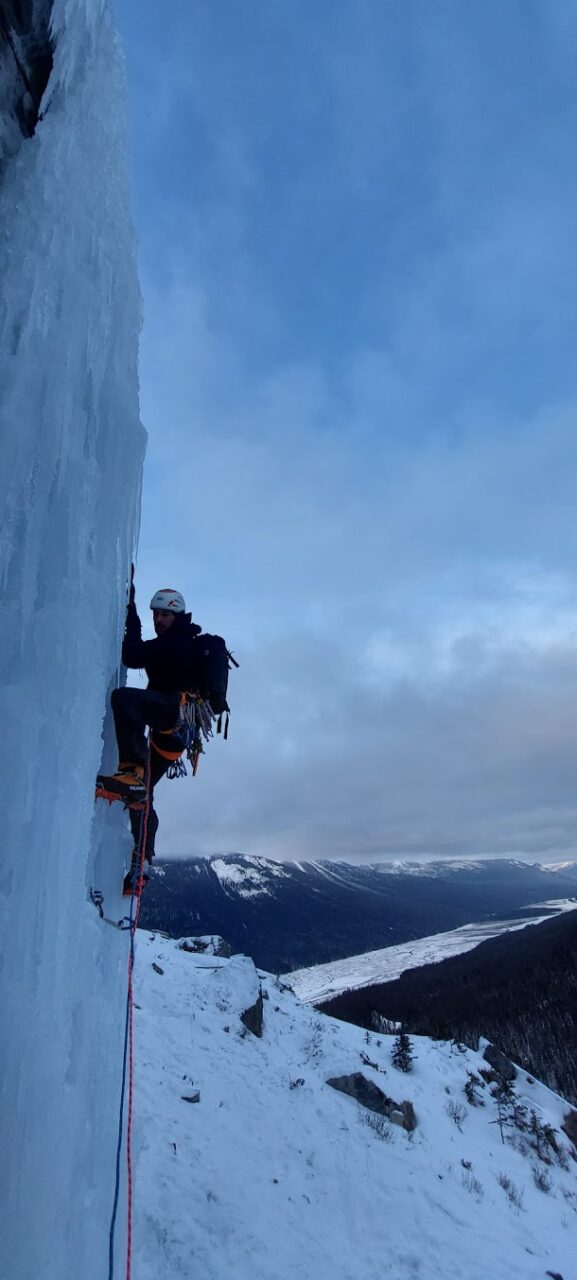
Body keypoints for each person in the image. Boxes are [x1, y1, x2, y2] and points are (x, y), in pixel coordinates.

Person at [96, 583, 205, 893]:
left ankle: (131, 771)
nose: (158, 620)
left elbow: (132, 655)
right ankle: (141, 861)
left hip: (173, 716)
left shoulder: (177, 641)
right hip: (173, 735)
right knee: (143, 793)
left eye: (164, 615)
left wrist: (131, 614)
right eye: (155, 614)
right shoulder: (179, 641)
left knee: (124, 699)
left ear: (177, 615)